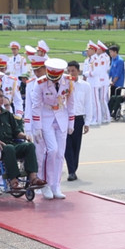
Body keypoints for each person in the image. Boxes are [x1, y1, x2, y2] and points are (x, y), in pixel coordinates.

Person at [37, 58, 72, 199]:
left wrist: (71, 123)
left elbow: (71, 102)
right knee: (52, 150)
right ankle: (45, 184)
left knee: (60, 154)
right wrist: (36, 126)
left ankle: (56, 185)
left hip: (61, 117)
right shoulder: (41, 83)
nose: (53, 80)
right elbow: (35, 105)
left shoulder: (68, 81)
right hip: (46, 117)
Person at [0, 88, 38, 186]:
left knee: (30, 146)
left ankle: (33, 177)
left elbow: (16, 132)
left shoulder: (8, 114)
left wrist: (25, 136)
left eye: (1, 96)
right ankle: (13, 180)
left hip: (11, 144)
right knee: (9, 148)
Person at [65, 60, 90, 182]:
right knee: (66, 145)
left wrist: (88, 122)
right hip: (65, 118)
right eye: (68, 71)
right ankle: (71, 171)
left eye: (73, 71)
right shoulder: (63, 84)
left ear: (78, 71)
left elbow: (88, 104)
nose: (70, 73)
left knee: (76, 146)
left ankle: (74, 168)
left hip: (78, 118)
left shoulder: (85, 85)